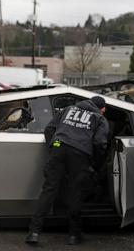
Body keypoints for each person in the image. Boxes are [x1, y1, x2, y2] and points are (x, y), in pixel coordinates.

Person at [25, 96, 109, 245]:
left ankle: (34, 233)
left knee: (49, 190)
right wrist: (95, 163)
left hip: (59, 147)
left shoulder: (68, 109)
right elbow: (100, 143)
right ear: (101, 108)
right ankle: (74, 235)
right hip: (80, 154)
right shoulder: (99, 118)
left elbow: (49, 129)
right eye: (104, 109)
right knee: (75, 192)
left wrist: (54, 148)